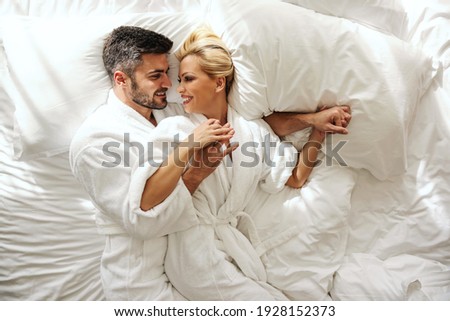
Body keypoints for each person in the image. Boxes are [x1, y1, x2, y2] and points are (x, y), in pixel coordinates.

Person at [149, 26, 352, 300]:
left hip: (234, 247)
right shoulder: (174, 129)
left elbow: (295, 178)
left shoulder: (251, 131)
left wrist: (317, 132)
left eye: (187, 79)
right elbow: (152, 201)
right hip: (192, 251)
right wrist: (193, 158)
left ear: (219, 82)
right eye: (180, 80)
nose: (179, 89)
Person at [69, 26, 236, 300]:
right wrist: (192, 168)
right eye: (155, 76)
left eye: (166, 74)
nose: (168, 85)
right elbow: (140, 221)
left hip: (196, 260)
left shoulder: (169, 115)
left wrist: (307, 121)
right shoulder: (94, 140)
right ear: (121, 79)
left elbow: (237, 117)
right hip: (139, 279)